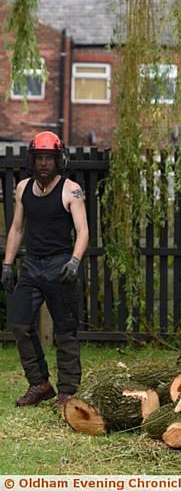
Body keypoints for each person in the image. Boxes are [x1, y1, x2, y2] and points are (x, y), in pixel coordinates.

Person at [0, 131, 89, 408]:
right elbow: (16, 228)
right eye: (39, 158)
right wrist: (7, 264)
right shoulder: (23, 188)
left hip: (60, 265)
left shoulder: (70, 189)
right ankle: (39, 383)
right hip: (31, 265)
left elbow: (83, 231)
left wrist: (74, 261)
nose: (43, 164)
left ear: (58, 159)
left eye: (49, 158)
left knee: (65, 330)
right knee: (19, 322)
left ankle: (67, 392)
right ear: (32, 159)